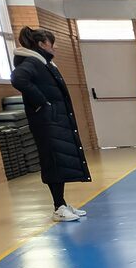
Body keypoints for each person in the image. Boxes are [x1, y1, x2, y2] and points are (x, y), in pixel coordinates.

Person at [9, 26, 90, 222]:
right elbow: (18, 79)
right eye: (51, 43)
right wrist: (43, 103)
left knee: (59, 161)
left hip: (55, 120)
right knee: (53, 161)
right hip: (46, 122)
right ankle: (58, 207)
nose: (55, 47)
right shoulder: (32, 62)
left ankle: (61, 203)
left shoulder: (44, 64)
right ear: (41, 44)